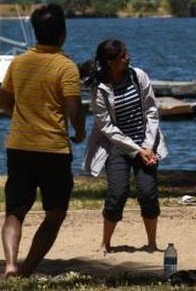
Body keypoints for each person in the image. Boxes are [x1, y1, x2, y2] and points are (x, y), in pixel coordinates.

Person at [0, 3, 86, 277]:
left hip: (19, 146)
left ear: (35, 33)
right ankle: (26, 270)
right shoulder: (66, 67)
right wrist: (80, 131)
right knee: (56, 211)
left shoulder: (19, 62)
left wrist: (24, 114)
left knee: (15, 210)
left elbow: (3, 102)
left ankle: (11, 263)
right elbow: (73, 108)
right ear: (62, 34)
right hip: (53, 149)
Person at [82, 39, 167, 254]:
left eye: (126, 54)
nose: (127, 58)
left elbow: (151, 111)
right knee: (117, 193)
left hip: (146, 144)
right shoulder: (100, 89)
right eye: (122, 56)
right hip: (117, 147)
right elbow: (107, 127)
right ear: (111, 62)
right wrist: (136, 150)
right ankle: (105, 242)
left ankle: (152, 243)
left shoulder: (139, 76)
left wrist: (146, 147)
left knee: (148, 193)